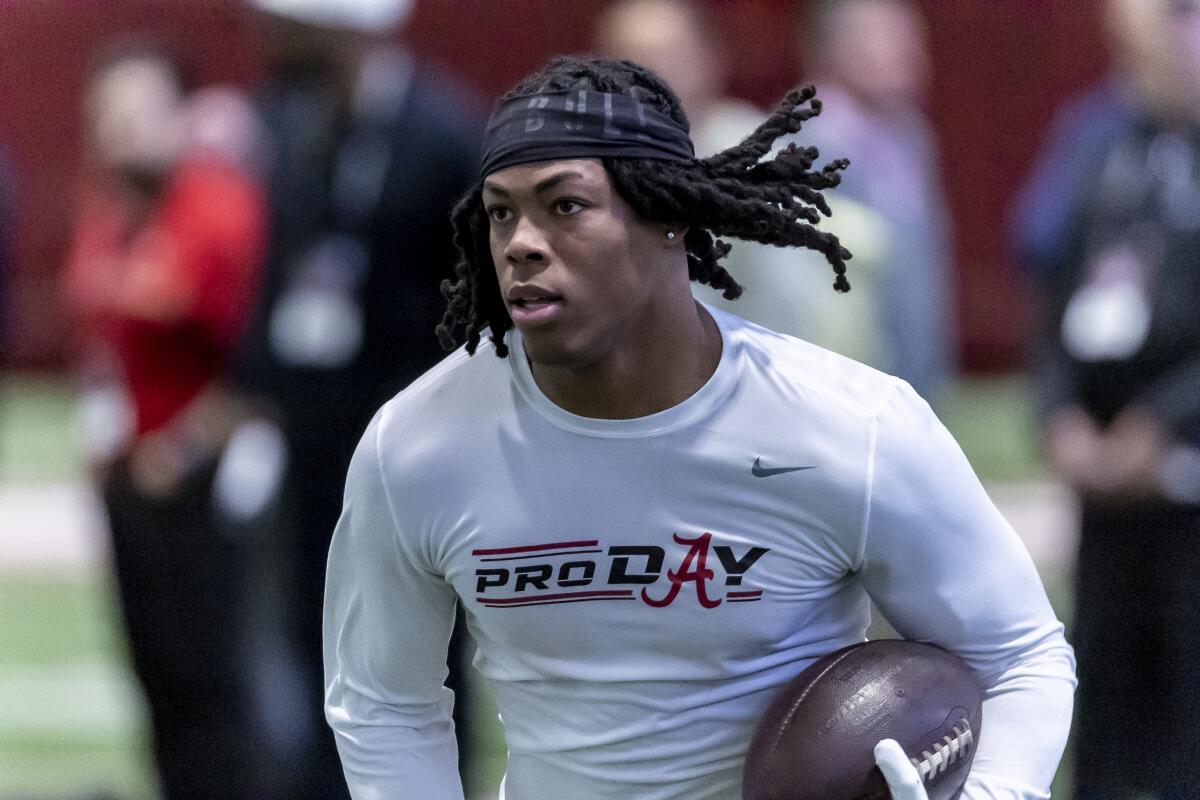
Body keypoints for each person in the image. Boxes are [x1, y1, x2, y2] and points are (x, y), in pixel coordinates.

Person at [322, 56, 1076, 799]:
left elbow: (1019, 655)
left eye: (565, 205)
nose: (521, 241)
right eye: (501, 211)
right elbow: (382, 704)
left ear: (669, 215)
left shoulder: (847, 426)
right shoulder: (417, 446)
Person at [236, 0, 483, 794]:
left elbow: (473, 295)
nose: (271, 34)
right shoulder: (282, 120)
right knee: (311, 622)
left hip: (411, 439)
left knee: (421, 636)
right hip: (311, 431)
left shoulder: (442, 132)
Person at [63, 46, 276, 798]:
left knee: (215, 674)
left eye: (140, 112)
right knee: (155, 671)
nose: (122, 131)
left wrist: (183, 452)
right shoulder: (109, 212)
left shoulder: (216, 209)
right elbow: (103, 341)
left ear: (182, 115)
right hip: (131, 482)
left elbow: (254, 365)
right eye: (108, 116)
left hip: (204, 484)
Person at [1015, 1, 1200, 797]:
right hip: (1105, 482)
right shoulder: (1101, 142)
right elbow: (1053, 287)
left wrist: (1163, 422)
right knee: (1105, 712)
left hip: (1183, 473)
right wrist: (1058, 412)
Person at [792, 0, 955, 404]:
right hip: (842, 389)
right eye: (888, 36)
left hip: (911, 377)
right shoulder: (806, 144)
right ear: (834, 47)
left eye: (911, 36)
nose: (910, 51)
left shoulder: (909, 136)